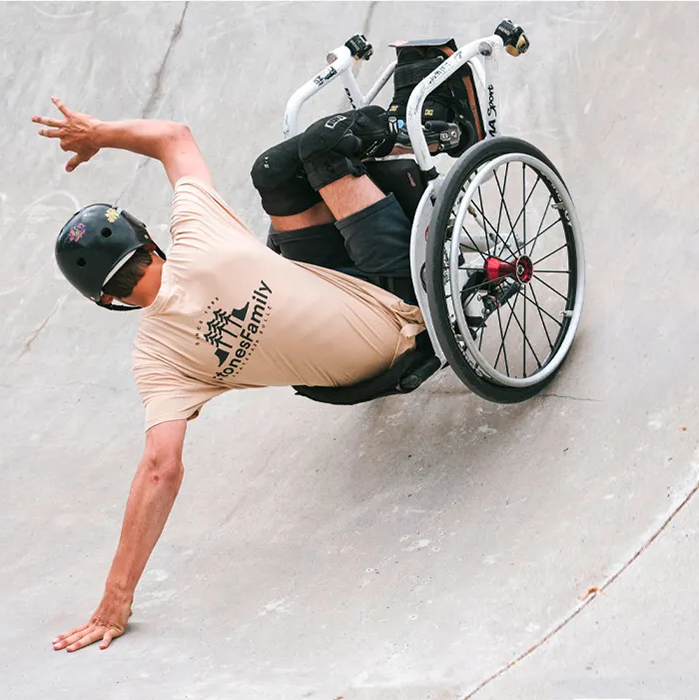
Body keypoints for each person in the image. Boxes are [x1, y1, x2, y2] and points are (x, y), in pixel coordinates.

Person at [31, 93, 428, 652]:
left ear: (103, 299)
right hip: (397, 304)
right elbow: (174, 137)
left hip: (344, 362)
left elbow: (158, 471)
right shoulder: (196, 235)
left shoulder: (157, 358)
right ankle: (418, 124)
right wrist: (98, 134)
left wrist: (114, 601)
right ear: (148, 241)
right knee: (316, 148)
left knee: (276, 175)